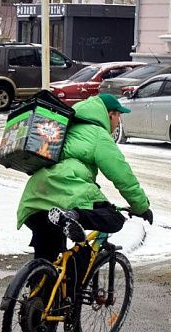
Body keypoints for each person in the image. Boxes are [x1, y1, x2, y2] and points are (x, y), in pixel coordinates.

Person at [16, 93, 153, 273]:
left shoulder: (64, 126)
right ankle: (73, 216)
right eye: (118, 115)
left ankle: (36, 297)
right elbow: (122, 175)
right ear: (110, 114)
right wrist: (141, 206)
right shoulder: (97, 134)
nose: (118, 121)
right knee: (114, 218)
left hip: (34, 199)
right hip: (66, 192)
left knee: (46, 260)